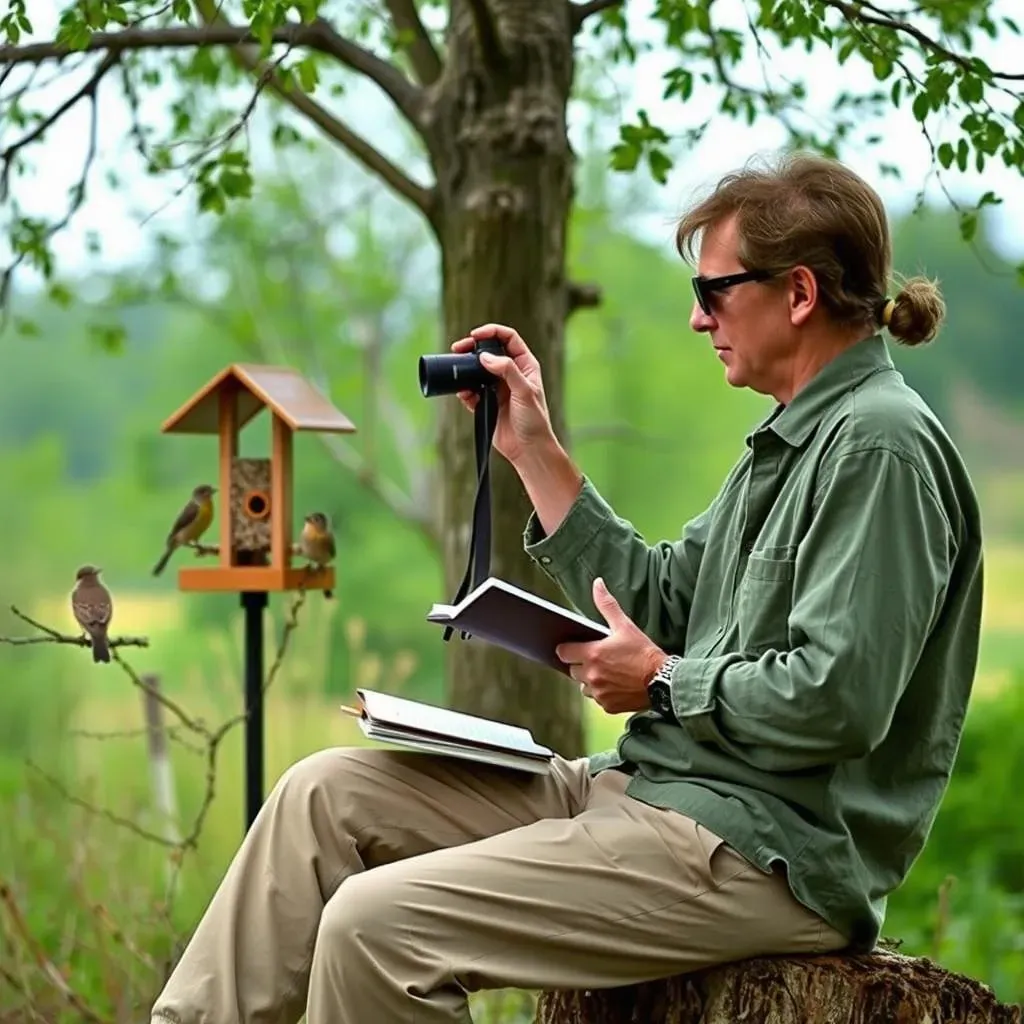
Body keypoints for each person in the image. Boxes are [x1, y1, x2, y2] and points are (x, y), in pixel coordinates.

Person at [150, 152, 984, 1024]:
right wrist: (533, 448)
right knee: (319, 798)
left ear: (800, 294)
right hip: (646, 792)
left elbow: (838, 699)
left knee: (378, 926)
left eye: (712, 293)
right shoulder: (788, 441)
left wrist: (659, 680)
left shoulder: (878, 450)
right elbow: (664, 601)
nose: (698, 320)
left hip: (758, 852)